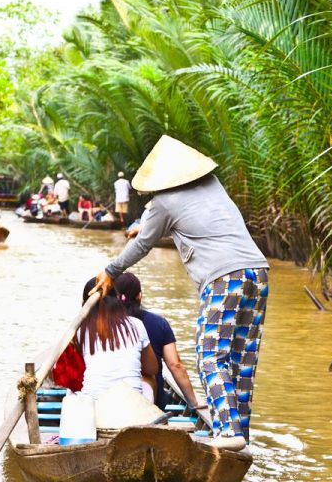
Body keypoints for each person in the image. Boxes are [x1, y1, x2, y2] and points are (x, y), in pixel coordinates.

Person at [92, 136, 269, 450]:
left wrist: (111, 270)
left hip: (223, 278)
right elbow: (188, 219)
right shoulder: (213, 185)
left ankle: (227, 433)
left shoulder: (163, 203)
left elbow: (144, 243)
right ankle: (241, 434)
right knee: (242, 360)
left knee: (210, 355)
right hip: (257, 272)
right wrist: (143, 225)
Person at [114, 272, 200, 413]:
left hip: (111, 395)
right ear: (139, 296)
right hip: (152, 398)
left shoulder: (103, 325)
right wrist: (193, 402)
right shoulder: (159, 323)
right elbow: (175, 364)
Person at [76, 277, 159, 402]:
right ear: (117, 300)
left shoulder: (80, 330)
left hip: (94, 399)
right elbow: (152, 369)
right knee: (149, 378)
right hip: (131, 400)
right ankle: (151, 413)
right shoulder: (137, 324)